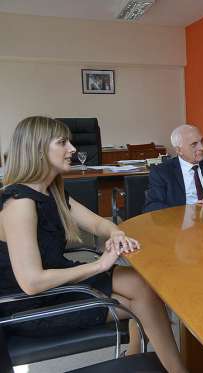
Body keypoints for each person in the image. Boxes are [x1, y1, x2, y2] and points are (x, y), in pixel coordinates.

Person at [0, 117, 186, 372]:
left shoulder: (51, 192)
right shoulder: (19, 203)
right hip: (29, 303)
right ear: (38, 149)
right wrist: (99, 265)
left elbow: (99, 224)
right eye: (62, 143)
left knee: (144, 284)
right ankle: (160, 366)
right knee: (142, 303)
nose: (73, 150)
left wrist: (115, 233)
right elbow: (32, 283)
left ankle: (139, 360)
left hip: (60, 282)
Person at [144, 124, 203, 212]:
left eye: (201, 142)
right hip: (181, 225)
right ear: (179, 150)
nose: (201, 148)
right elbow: (153, 206)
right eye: (194, 144)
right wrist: (189, 210)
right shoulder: (162, 172)